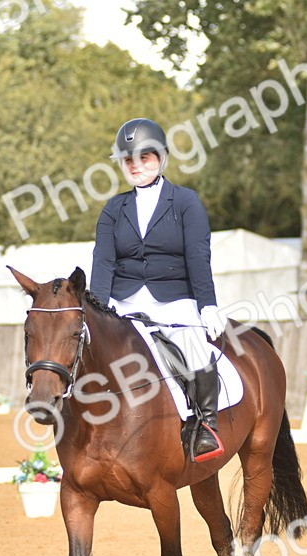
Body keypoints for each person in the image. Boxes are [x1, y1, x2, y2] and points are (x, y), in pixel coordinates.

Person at [90, 118, 226, 463]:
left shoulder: (185, 202)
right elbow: (103, 262)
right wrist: (96, 310)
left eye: (144, 158)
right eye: (128, 160)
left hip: (174, 299)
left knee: (194, 348)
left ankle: (205, 427)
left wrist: (207, 305)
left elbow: (198, 255)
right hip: (123, 301)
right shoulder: (113, 209)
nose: (135, 166)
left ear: (161, 158)